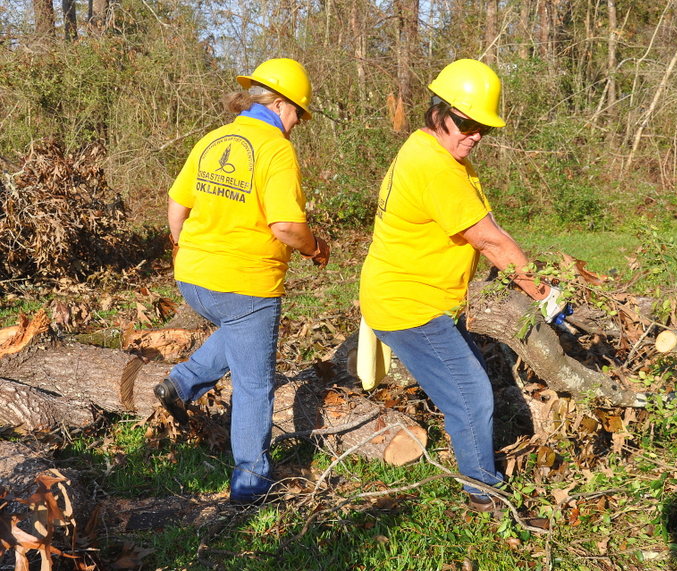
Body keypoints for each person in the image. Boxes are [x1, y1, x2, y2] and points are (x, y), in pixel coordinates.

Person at [358, 59, 566, 512]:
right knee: (470, 394)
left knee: (471, 378)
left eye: (482, 129)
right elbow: (491, 240)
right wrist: (545, 295)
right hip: (408, 304)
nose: (473, 134)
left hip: (416, 295)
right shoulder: (435, 168)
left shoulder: (428, 149)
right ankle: (483, 492)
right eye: (466, 123)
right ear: (439, 111)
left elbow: (482, 223)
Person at [154, 58, 330, 505]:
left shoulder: (215, 139)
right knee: (255, 383)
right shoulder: (275, 148)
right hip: (246, 284)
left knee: (236, 329)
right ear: (281, 103)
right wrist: (314, 248)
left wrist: (184, 249)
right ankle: (250, 482)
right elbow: (287, 227)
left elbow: (177, 205)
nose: (295, 125)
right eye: (297, 114)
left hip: (193, 278)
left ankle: (182, 382)